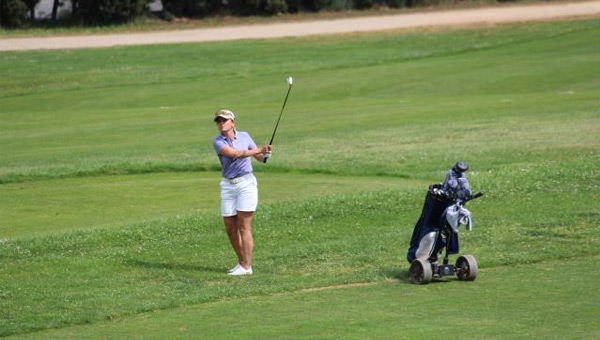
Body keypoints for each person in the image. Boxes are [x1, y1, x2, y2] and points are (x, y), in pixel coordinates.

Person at [212, 109, 272, 276]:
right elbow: (236, 154)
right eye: (218, 121)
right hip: (227, 185)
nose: (221, 123)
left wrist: (265, 154)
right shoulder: (218, 142)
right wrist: (260, 149)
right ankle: (242, 263)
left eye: (224, 120)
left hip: (246, 183)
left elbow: (260, 158)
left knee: (243, 226)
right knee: (230, 228)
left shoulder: (245, 136)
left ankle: (247, 267)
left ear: (233, 122)